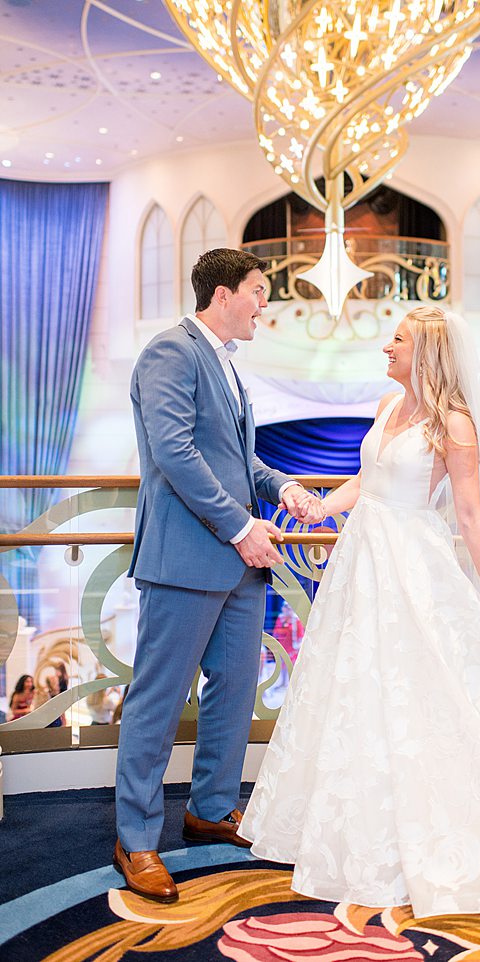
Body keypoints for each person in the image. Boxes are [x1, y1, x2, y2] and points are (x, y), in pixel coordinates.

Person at [239, 305, 480, 928]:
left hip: (414, 567)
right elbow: (364, 479)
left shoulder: (454, 425)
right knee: (355, 688)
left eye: (397, 340)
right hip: (361, 562)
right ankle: (356, 834)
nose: (386, 347)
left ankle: (444, 839)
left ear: (426, 353)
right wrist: (320, 510)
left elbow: (471, 516)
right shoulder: (385, 407)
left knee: (422, 693)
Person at [114, 248, 315, 904]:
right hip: (186, 558)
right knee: (159, 698)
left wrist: (280, 483)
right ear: (224, 294)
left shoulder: (226, 365)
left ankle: (210, 809)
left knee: (233, 692)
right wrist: (240, 527)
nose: (265, 305)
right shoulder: (170, 352)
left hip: (237, 566)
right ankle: (136, 839)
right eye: (259, 292)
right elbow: (174, 452)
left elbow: (236, 461)